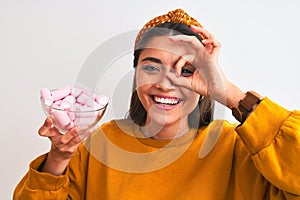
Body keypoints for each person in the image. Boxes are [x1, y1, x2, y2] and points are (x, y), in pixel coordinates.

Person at [13, 8, 300, 199]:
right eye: (151, 67)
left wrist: (229, 93)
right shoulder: (100, 144)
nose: (166, 83)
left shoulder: (239, 149)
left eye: (186, 70)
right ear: (136, 73)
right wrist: (60, 158)